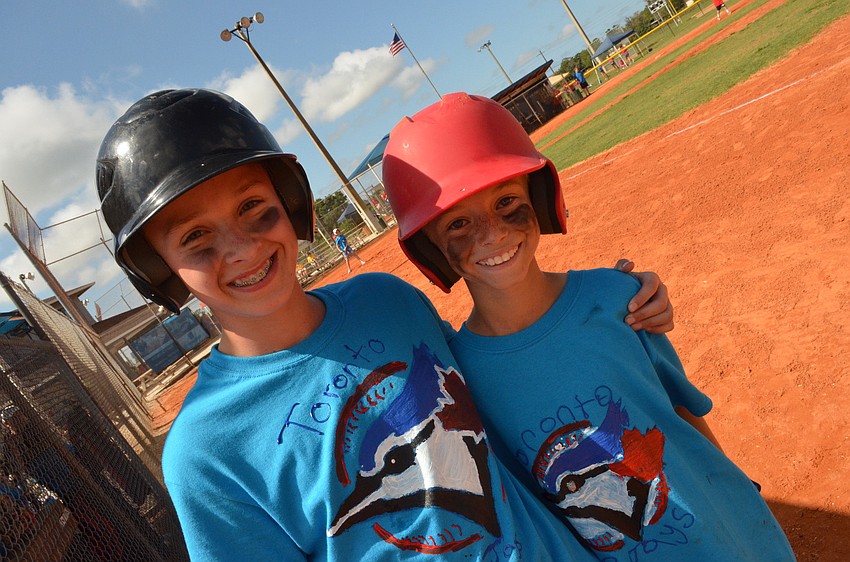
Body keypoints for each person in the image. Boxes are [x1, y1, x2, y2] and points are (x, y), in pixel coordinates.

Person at [95, 89, 669, 561]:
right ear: (157, 270)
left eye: (254, 208)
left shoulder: (385, 300)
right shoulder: (204, 450)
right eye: (196, 238)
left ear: (291, 203)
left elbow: (501, 362)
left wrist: (609, 297)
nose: (241, 248)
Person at [381, 92, 797, 561]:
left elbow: (683, 413)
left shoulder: (619, 298)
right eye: (457, 223)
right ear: (432, 248)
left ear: (539, 197)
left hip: (737, 538)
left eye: (507, 202)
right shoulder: (465, 377)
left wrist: (740, 493)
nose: (492, 234)